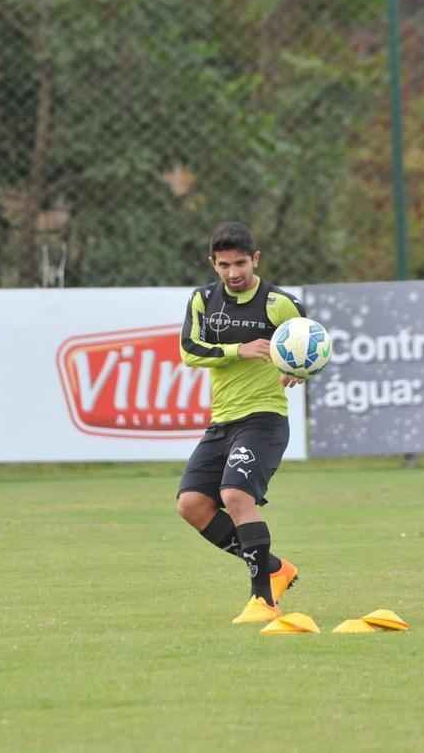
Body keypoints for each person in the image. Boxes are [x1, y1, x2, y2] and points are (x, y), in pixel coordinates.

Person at [176, 221, 306, 625]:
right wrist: (239, 349)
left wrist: (300, 370)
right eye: (224, 265)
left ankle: (263, 600)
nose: (233, 273)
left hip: (264, 418)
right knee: (192, 505)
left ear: (256, 260)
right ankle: (273, 566)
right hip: (222, 421)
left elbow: (309, 345)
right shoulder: (202, 300)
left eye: (240, 264)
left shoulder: (279, 304)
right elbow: (189, 350)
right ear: (212, 264)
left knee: (235, 495)